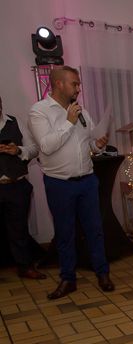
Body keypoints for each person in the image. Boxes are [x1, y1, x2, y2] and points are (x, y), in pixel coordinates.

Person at [29, 66, 114, 300]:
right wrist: (68, 122)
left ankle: (103, 273)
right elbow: (46, 146)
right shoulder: (39, 111)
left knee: (95, 230)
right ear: (58, 84)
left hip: (87, 181)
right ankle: (68, 279)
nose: (78, 88)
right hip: (59, 184)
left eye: (78, 84)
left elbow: (89, 146)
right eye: (74, 84)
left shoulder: (82, 111)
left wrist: (99, 144)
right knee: (65, 233)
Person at [0, 95, 45, 279]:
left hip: (16, 185)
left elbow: (34, 149)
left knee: (19, 229)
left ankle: (24, 266)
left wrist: (18, 150)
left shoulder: (15, 121)